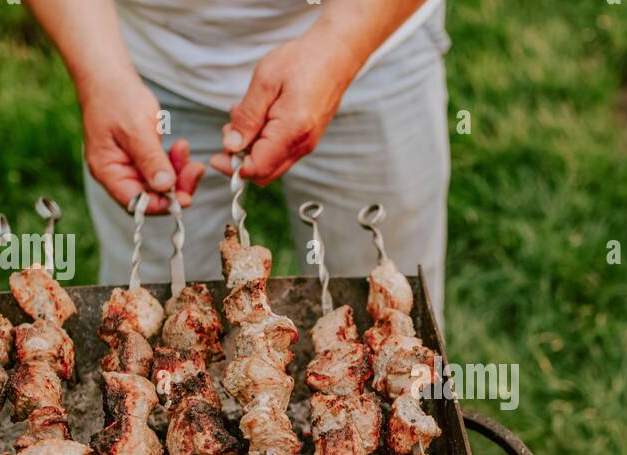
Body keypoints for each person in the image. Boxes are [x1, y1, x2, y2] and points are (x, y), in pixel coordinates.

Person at [26, 0, 450, 320]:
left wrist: (341, 48)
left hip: (373, 42)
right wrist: (99, 75)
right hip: (138, 66)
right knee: (151, 308)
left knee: (387, 302)